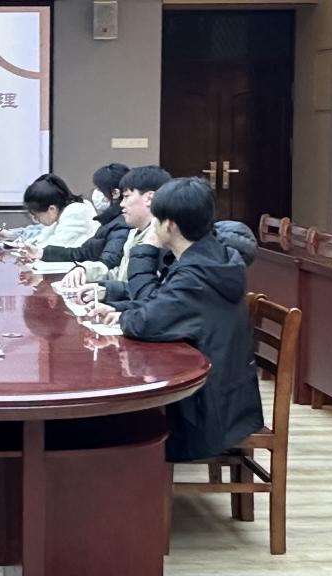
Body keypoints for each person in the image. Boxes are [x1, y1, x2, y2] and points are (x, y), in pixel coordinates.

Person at [88, 177, 263, 462]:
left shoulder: (195, 275)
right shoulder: (212, 258)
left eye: (156, 220)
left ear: (169, 225)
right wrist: (121, 312)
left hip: (204, 410)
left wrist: (145, 250)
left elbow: (145, 322)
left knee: (101, 425)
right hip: (226, 398)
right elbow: (161, 304)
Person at [59, 166, 172, 294]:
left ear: (149, 198)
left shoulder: (162, 239)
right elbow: (120, 276)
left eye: (126, 196)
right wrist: (85, 271)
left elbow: (143, 291)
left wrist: (105, 292)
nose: (122, 204)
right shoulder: (135, 233)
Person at [18, 163, 131, 269]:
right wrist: (40, 253)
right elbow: (84, 252)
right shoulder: (109, 220)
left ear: (116, 193)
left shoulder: (120, 221)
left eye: (99, 189)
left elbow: (107, 262)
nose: (95, 193)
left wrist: (84, 271)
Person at [20, 173, 99, 248]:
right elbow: (42, 238)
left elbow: (56, 246)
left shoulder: (75, 212)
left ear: (52, 209)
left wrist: (29, 249)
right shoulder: (61, 213)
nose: (37, 220)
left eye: (36, 216)